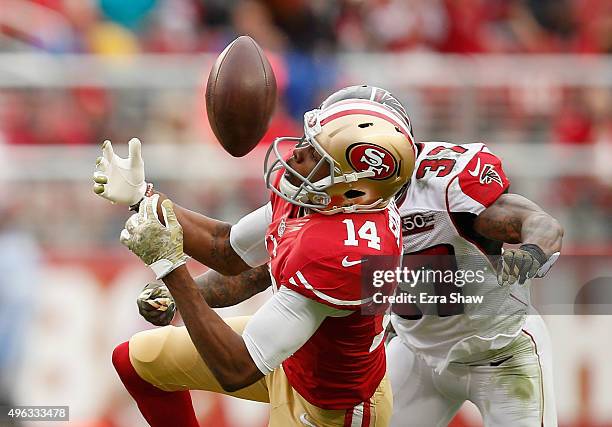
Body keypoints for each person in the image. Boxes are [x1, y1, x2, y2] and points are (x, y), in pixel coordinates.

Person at [128, 85, 563, 427]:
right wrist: (180, 293)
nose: (300, 157)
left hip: (502, 353)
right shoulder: (326, 201)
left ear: (358, 171)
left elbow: (534, 220)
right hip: (416, 351)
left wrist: (529, 253)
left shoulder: (445, 187)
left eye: (318, 149)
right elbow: (246, 268)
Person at [92, 94, 416, 427]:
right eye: (307, 141)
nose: (297, 154)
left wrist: (171, 268)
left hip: (330, 409)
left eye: (316, 156)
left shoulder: (350, 252)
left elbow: (238, 369)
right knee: (139, 361)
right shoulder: (325, 197)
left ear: (354, 190)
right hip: (292, 355)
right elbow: (228, 251)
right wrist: (142, 197)